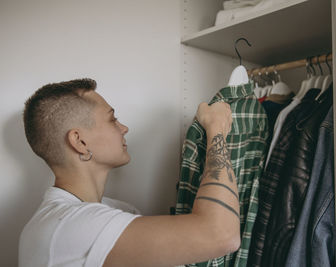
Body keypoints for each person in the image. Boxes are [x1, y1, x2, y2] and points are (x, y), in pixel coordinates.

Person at [19, 78, 240, 267]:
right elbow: (221, 234)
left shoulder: (113, 211)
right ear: (80, 141)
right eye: (112, 119)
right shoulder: (69, 225)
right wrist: (216, 129)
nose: (123, 128)